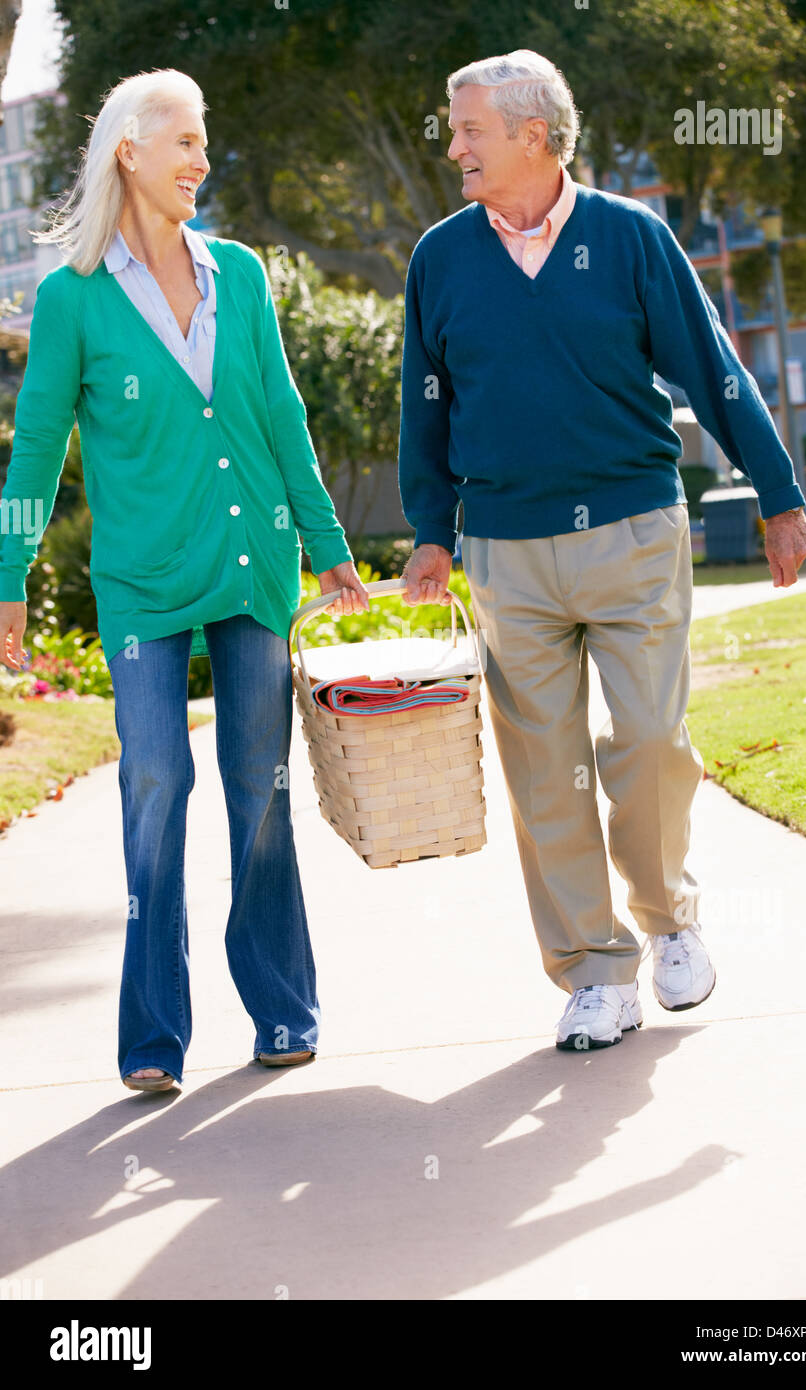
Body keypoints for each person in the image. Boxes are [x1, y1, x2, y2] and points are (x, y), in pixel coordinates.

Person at [398, 50, 806, 1050]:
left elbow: (714, 374)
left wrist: (777, 496)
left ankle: (669, 917)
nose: (451, 146)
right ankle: (593, 972)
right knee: (543, 772)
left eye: (469, 131)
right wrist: (427, 531)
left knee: (646, 743)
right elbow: (425, 407)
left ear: (533, 136)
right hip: (504, 548)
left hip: (630, 531)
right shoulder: (439, 259)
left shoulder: (629, 239)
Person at [0, 69, 369, 1093]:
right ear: (128, 151)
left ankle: (284, 1010)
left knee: (261, 794)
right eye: (186, 142)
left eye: (205, 143)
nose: (203, 160)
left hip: (252, 567)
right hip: (140, 585)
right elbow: (35, 451)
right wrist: (9, 576)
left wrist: (329, 544)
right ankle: (153, 1037)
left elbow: (283, 419)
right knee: (155, 783)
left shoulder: (238, 277)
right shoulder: (73, 299)